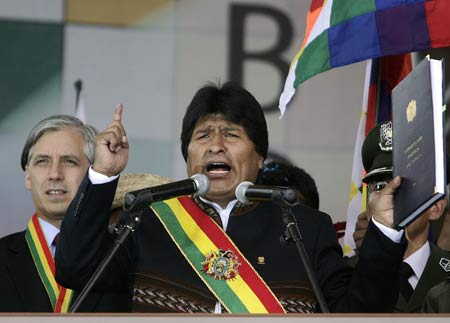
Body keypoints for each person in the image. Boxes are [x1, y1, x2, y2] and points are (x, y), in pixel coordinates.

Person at [56, 82, 406, 313]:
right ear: (187, 155)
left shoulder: (306, 228)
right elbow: (75, 268)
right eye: (203, 134)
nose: (216, 144)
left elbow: (359, 314)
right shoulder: (148, 221)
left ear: (260, 158)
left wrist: (386, 230)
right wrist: (102, 175)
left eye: (232, 134)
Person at [0, 115, 131, 312]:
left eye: (69, 161)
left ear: (92, 170)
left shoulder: (123, 253)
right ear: (28, 176)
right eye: (43, 162)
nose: (55, 174)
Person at [351, 121, 450, 313]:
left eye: (403, 185)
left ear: (436, 207)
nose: (389, 196)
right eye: (379, 186)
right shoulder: (345, 275)